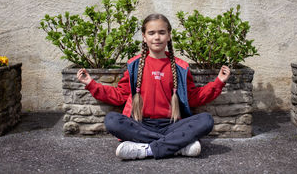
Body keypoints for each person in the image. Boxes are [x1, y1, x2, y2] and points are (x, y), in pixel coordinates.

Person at [77, 13, 230, 160]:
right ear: (144, 37)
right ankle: (177, 146)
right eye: (151, 33)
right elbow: (119, 95)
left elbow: (193, 98)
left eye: (162, 32)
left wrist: (218, 82)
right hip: (141, 124)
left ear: (169, 35)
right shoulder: (134, 65)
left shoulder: (180, 67)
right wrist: (91, 84)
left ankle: (146, 149)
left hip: (172, 125)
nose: (157, 37)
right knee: (111, 120)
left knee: (206, 120)